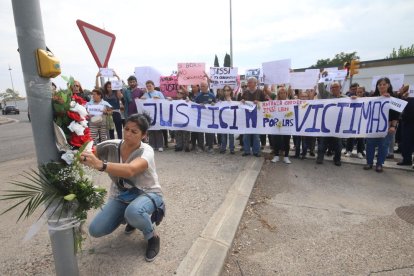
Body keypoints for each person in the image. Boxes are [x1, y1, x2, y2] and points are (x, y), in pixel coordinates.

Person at [82, 113, 164, 262]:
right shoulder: (111, 145)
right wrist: (82, 155)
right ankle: (132, 220)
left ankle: (152, 236)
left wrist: (101, 165)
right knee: (95, 229)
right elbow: (90, 151)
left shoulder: (146, 151)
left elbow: (130, 170)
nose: (128, 134)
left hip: (147, 192)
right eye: (126, 129)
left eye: (134, 131)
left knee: (134, 212)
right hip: (122, 195)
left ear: (144, 135)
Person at [364, 77, 399, 172]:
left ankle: (379, 164)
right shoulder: (373, 97)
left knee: (383, 146)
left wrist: (393, 126)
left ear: (388, 85)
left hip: (387, 127)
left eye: (384, 84)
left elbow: (396, 114)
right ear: (377, 86)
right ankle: (369, 162)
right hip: (373, 126)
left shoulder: (393, 98)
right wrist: (354, 99)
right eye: (380, 84)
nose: (382, 86)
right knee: (370, 145)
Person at [316, 81, 345, 166]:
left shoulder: (345, 97)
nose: (334, 89)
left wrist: (354, 98)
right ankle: (320, 157)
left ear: (340, 88)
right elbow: (321, 88)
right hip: (326, 124)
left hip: (338, 126)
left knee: (338, 144)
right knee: (322, 143)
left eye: (336, 87)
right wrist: (323, 78)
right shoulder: (327, 95)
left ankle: (337, 159)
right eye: (332, 87)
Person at [240, 77, 266, 157]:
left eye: (250, 82)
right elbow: (240, 101)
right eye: (248, 82)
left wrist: (259, 102)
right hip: (247, 117)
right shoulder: (245, 92)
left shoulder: (260, 92)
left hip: (257, 117)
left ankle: (256, 151)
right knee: (246, 135)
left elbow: (265, 103)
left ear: (255, 83)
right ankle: (247, 150)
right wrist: (242, 101)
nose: (249, 83)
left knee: (256, 135)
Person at [141, 80, 166, 152]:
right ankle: (152, 145)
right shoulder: (146, 94)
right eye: (147, 86)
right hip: (150, 115)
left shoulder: (159, 93)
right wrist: (140, 99)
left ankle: (160, 145)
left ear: (153, 86)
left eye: (150, 86)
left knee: (158, 130)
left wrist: (159, 99)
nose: (148, 87)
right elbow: (141, 102)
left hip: (158, 114)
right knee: (151, 130)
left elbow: (164, 101)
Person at [194, 80, 216, 153]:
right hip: (201, 118)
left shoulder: (212, 95)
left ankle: (210, 147)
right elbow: (193, 105)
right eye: (201, 86)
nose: (202, 87)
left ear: (207, 86)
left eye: (203, 86)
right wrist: (199, 105)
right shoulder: (198, 96)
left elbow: (217, 104)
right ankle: (201, 147)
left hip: (209, 118)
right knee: (200, 132)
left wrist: (214, 104)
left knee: (210, 132)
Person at [271, 86, 292, 164]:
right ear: (278, 94)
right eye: (281, 93)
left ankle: (286, 157)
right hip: (276, 124)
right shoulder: (274, 102)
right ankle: (276, 156)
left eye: (284, 93)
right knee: (276, 140)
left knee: (286, 140)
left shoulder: (290, 102)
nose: (282, 94)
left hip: (287, 125)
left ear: (286, 94)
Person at [344, 87, 366, 159]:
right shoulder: (353, 99)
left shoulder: (367, 100)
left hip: (362, 121)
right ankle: (349, 150)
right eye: (358, 92)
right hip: (353, 120)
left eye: (360, 92)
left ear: (363, 92)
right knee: (351, 137)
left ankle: (359, 152)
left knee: (361, 137)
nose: (359, 93)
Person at [396, 84, 414, 168]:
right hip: (406, 123)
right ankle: (407, 159)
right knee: (406, 142)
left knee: (407, 142)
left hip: (407, 123)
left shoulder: (408, 99)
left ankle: (407, 160)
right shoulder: (405, 99)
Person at [219, 85, 236, 154]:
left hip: (231, 119)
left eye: (228, 90)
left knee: (231, 135)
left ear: (230, 91)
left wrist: (230, 101)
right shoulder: (221, 99)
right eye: (225, 90)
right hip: (223, 119)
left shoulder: (234, 98)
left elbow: (237, 107)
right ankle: (223, 148)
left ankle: (232, 149)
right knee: (223, 135)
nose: (226, 92)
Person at [174, 87, 191, 152]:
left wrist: (188, 101)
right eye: (178, 92)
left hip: (185, 119)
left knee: (186, 133)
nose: (179, 93)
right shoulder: (173, 100)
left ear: (183, 94)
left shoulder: (186, 100)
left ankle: (186, 146)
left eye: (181, 93)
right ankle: (179, 146)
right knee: (178, 133)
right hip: (177, 119)